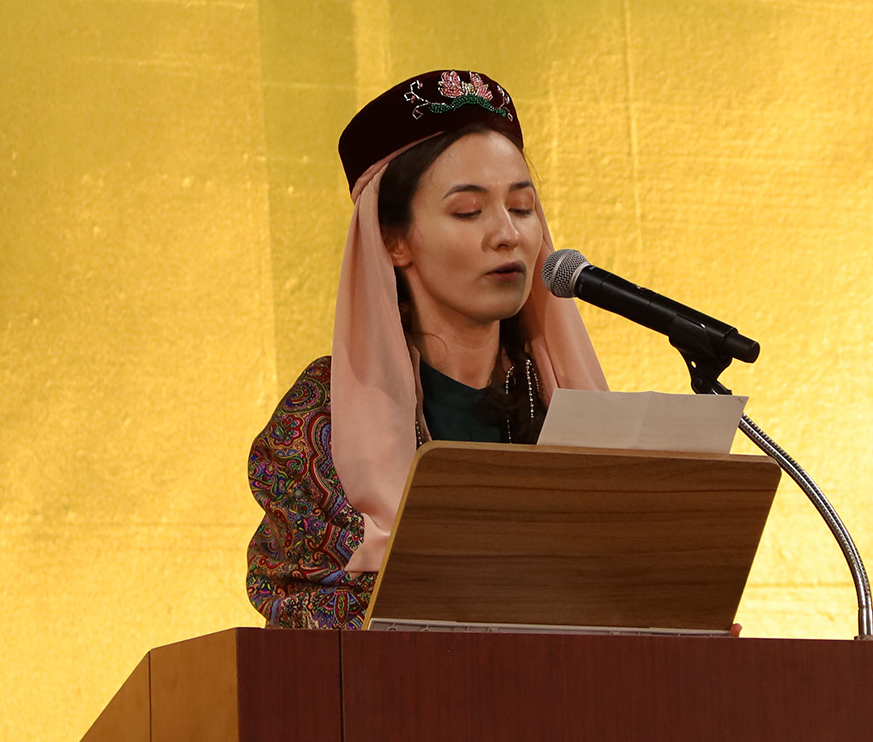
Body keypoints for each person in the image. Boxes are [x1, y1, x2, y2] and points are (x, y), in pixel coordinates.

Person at [246, 70, 608, 628]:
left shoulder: (561, 399)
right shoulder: (322, 418)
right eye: (468, 211)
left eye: (522, 207)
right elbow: (306, 614)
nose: (507, 234)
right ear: (394, 239)